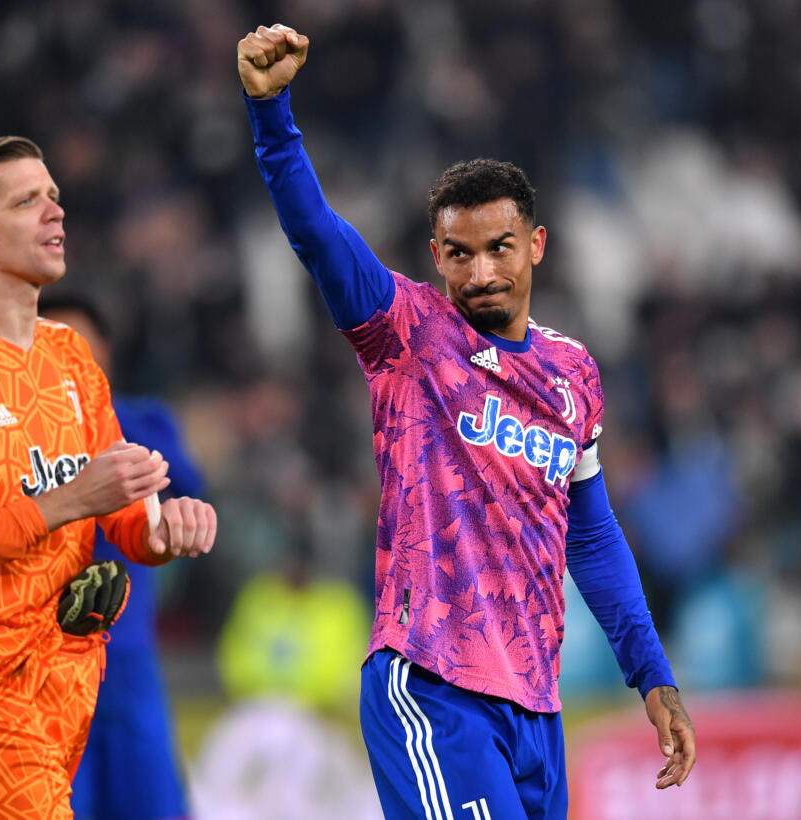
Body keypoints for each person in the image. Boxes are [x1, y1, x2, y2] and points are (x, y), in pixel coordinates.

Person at [236, 24, 695, 819]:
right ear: (436, 254)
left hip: (536, 708)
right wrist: (271, 114)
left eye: (499, 248)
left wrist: (651, 674)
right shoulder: (406, 331)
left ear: (536, 246)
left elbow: (590, 535)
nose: (481, 271)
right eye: (459, 253)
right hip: (433, 685)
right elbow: (315, 233)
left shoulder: (573, 373)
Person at [0, 136, 217, 820]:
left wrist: (161, 533)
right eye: (26, 201)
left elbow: (122, 518)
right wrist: (67, 501)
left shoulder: (72, 359)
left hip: (66, 700)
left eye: (53, 196)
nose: (55, 212)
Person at [39, 293, 203, 820]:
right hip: (47, 670)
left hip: (128, 660)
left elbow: (186, 493)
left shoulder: (143, 423)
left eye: (78, 343)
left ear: (105, 351)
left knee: (154, 806)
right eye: (50, 343)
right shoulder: (14, 443)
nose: (66, 356)